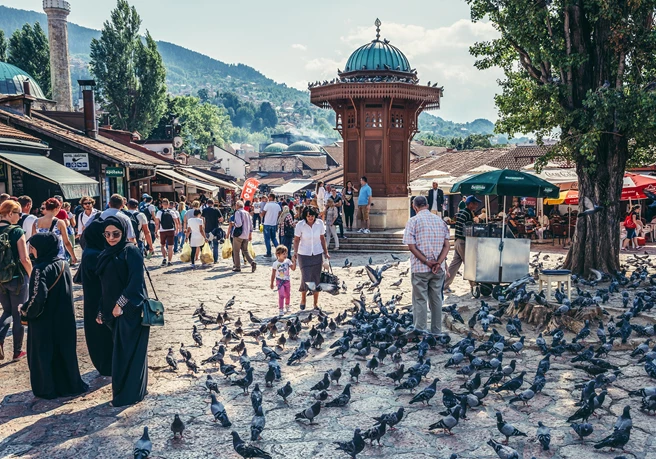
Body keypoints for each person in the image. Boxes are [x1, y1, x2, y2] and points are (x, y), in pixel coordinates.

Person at [20, 232, 88, 399]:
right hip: (64, 319)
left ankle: (47, 388)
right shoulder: (63, 264)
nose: (31, 250)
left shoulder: (39, 268)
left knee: (44, 354)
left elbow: (38, 297)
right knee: (63, 352)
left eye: (33, 247)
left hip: (45, 321)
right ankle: (68, 385)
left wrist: (25, 310)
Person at [95, 216, 150, 407]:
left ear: (124, 232)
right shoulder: (106, 252)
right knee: (121, 353)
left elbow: (135, 282)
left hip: (130, 311)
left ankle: (127, 395)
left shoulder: (131, 251)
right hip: (113, 313)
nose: (111, 237)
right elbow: (104, 285)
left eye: (116, 234)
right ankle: (132, 391)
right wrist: (102, 309)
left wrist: (120, 304)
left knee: (126, 354)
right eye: (107, 234)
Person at [403, 196, 450, 335]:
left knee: (420, 299)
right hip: (438, 268)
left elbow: (411, 247)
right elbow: (447, 246)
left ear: (414, 206)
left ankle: (421, 329)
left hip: (420, 268)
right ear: (428, 205)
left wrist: (427, 262)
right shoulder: (440, 221)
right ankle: (436, 331)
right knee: (436, 299)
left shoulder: (413, 221)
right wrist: (438, 262)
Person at [78, 213, 114, 376]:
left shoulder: (90, 251)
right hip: (98, 300)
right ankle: (107, 365)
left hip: (94, 299)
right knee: (102, 335)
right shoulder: (95, 254)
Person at [0, 200, 33, 361]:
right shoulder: (17, 231)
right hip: (17, 279)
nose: (20, 217)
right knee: (18, 313)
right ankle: (17, 351)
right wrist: (32, 275)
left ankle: (0, 339)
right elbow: (24, 258)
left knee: (7, 311)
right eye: (19, 214)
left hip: (1, 280)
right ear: (10, 213)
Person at [291, 206, 329, 310]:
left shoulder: (320, 224)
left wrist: (326, 252)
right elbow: (296, 240)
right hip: (304, 254)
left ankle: (315, 303)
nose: (310, 218)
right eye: (308, 216)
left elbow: (322, 238)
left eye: (312, 216)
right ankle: (303, 298)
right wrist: (295, 252)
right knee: (306, 277)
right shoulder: (300, 225)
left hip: (317, 253)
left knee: (316, 278)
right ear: (305, 216)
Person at [443, 196, 481, 293]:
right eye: (475, 204)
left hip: (457, 241)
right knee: (469, 264)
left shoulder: (461, 212)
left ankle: (444, 285)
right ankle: (474, 286)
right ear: (470, 204)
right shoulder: (467, 213)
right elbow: (469, 228)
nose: (476, 206)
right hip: (463, 242)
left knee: (454, 264)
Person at [32, 198, 78, 264]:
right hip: (58, 256)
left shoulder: (36, 222)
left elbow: (33, 241)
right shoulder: (60, 223)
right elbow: (66, 242)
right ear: (57, 208)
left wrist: (36, 256)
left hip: (42, 256)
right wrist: (73, 256)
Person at [231, 201, 256, 273]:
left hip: (239, 235)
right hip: (246, 235)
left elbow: (238, 224)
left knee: (236, 251)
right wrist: (250, 234)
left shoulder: (238, 212)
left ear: (237, 206)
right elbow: (251, 225)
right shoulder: (247, 213)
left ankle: (237, 267)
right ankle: (252, 262)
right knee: (245, 250)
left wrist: (233, 224)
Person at [270, 245, 295, 316]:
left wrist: (294, 261)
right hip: (279, 281)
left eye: (286, 253)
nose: (285, 255)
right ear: (278, 254)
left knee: (288, 294)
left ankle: (287, 305)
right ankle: (281, 309)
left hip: (287, 281)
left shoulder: (288, 261)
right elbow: (273, 274)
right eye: (283, 254)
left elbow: (293, 268)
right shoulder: (275, 264)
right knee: (281, 295)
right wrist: (272, 283)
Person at [156, 198, 178, 266]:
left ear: (162, 204)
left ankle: (164, 258)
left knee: (163, 245)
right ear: (168, 204)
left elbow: (157, 223)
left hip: (162, 230)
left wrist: (156, 231)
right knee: (170, 246)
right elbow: (176, 222)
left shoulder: (159, 212)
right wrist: (177, 229)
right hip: (171, 230)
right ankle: (170, 261)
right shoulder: (172, 212)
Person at [261, 193, 281, 258]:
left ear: (271, 198)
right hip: (274, 224)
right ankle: (280, 251)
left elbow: (263, 214)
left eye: (269, 197)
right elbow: (280, 214)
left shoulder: (267, 205)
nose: (268, 198)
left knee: (267, 239)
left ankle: (269, 253)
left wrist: (260, 214)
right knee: (274, 238)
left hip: (267, 223)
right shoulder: (277, 205)